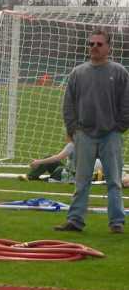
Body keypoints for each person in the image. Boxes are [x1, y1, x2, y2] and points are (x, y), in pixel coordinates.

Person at [55, 29, 129, 234]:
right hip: (84, 135)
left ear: (108, 47)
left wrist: (120, 126)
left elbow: (126, 103)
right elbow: (68, 104)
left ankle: (116, 222)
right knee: (81, 181)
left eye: (99, 44)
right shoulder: (78, 73)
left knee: (114, 181)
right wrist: (73, 129)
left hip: (111, 135)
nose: (94, 47)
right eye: (91, 44)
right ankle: (75, 220)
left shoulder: (119, 72)